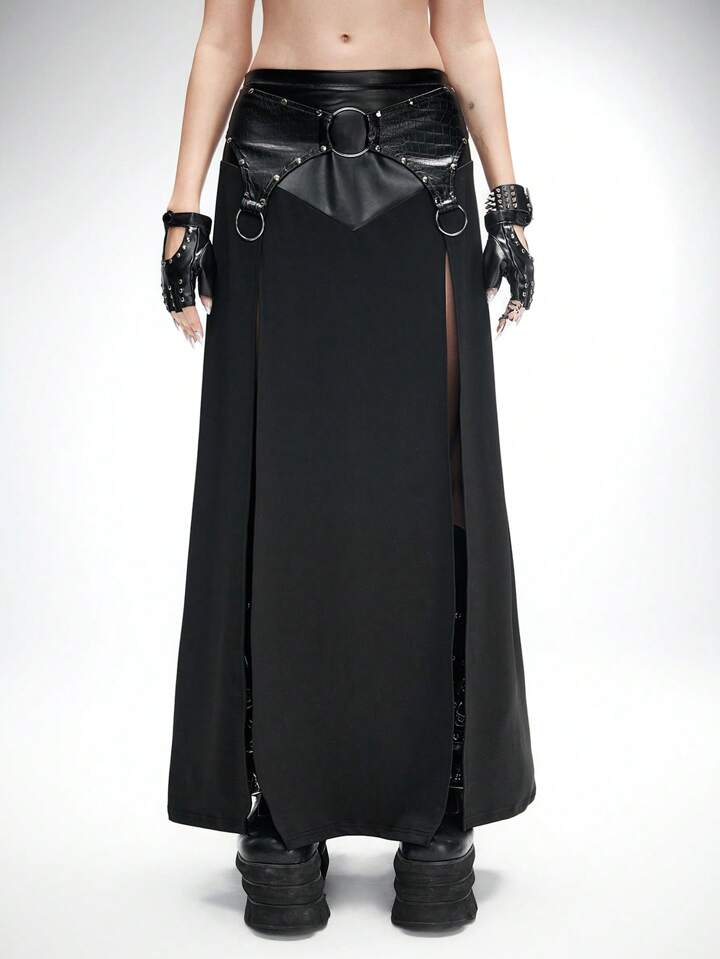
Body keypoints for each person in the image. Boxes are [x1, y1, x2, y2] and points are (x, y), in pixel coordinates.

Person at [162, 0, 536, 934]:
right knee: (275, 479)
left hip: (424, 158)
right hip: (269, 164)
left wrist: (508, 202)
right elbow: (222, 36)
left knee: (437, 473)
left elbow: (465, 33)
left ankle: (444, 793)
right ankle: (279, 800)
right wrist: (182, 208)